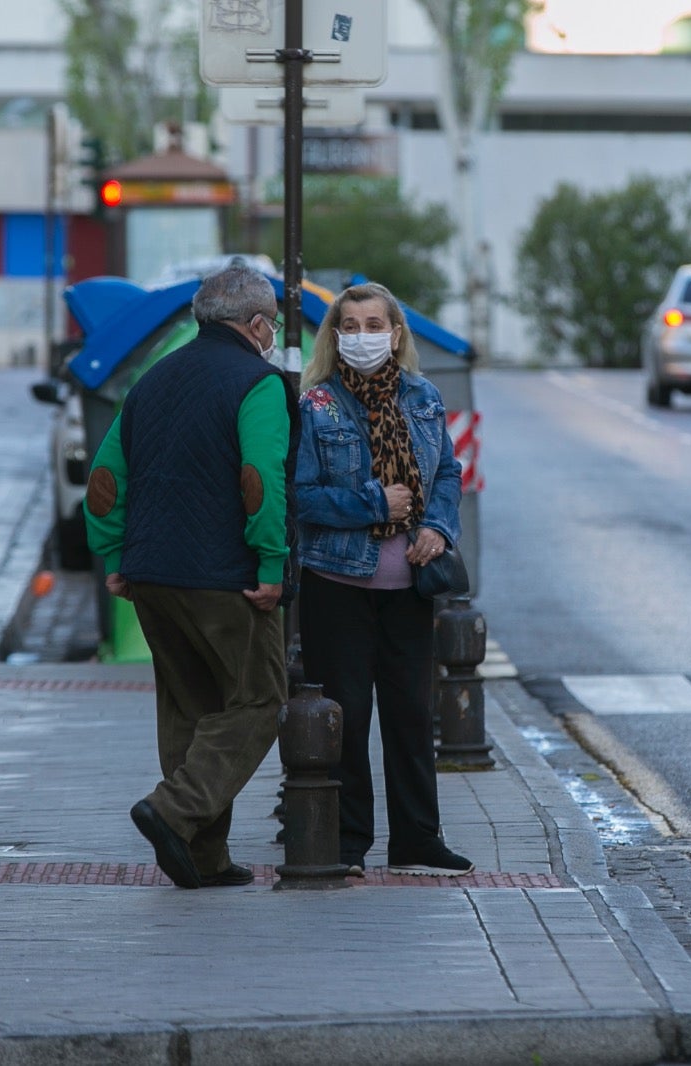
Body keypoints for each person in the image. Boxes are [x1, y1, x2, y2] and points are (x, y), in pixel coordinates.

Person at [83, 264, 297, 889]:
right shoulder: (259, 383)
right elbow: (262, 480)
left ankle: (203, 858)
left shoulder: (152, 381)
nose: (273, 335)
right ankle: (173, 811)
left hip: (151, 573)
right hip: (225, 577)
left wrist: (115, 554)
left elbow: (106, 478)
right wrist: (271, 564)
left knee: (189, 708)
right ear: (257, 325)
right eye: (273, 326)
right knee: (259, 700)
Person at [293, 282, 472, 878]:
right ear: (335, 335)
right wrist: (376, 504)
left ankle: (418, 838)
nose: (363, 336)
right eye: (351, 325)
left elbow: (447, 471)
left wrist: (439, 529)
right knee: (345, 719)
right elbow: (302, 496)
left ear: (395, 334)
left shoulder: (422, 397)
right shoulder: (316, 404)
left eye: (375, 325)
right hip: (337, 584)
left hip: (409, 587)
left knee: (411, 716)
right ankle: (347, 843)